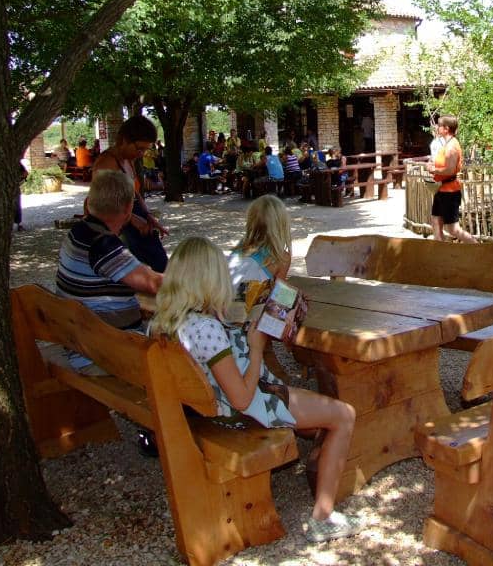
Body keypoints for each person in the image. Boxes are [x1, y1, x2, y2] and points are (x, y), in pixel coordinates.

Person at [149, 234, 361, 543]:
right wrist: (257, 346)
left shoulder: (164, 322)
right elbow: (242, 397)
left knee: (316, 411)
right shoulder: (206, 329)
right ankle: (324, 517)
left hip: (202, 410)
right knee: (344, 415)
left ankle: (319, 455)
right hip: (239, 411)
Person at [56, 170, 163, 335]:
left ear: (90, 201)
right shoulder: (104, 245)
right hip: (107, 344)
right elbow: (153, 283)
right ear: (128, 208)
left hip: (80, 334)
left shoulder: (78, 231)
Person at [92, 115, 169, 272]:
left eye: (145, 149)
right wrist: (132, 219)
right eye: (139, 148)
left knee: (160, 263)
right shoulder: (107, 163)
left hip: (132, 214)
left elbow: (134, 191)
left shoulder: (128, 160)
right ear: (124, 140)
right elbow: (103, 205)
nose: (141, 154)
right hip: (119, 220)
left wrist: (148, 216)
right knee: (145, 268)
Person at [425, 115, 477, 243]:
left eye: (439, 125)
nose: (437, 127)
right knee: (436, 222)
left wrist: (433, 170)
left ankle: (477, 247)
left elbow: (450, 170)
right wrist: (432, 164)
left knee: (453, 229)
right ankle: (441, 254)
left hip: (450, 191)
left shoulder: (452, 147)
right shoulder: (445, 144)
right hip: (441, 190)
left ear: (446, 128)